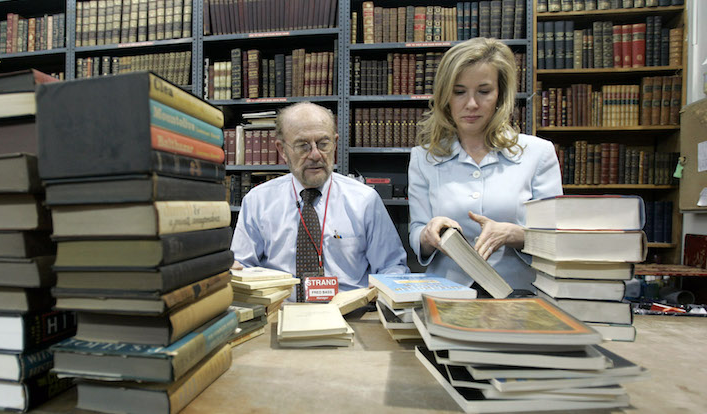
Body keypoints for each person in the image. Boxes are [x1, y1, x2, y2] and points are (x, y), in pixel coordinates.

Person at [408, 38, 563, 292]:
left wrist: (513, 235)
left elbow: (555, 238)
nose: (471, 104)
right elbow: (417, 232)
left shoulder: (538, 153)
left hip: (519, 295)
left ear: (500, 94)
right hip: (447, 293)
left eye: (483, 91)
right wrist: (428, 235)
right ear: (445, 96)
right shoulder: (423, 158)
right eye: (459, 92)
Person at [232, 102, 409, 301]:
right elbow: (241, 267)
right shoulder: (257, 202)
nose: (316, 155)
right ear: (282, 150)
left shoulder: (365, 200)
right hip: (281, 314)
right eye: (303, 146)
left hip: (350, 315)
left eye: (323, 144)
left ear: (335, 143)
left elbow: (392, 266)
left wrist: (383, 286)